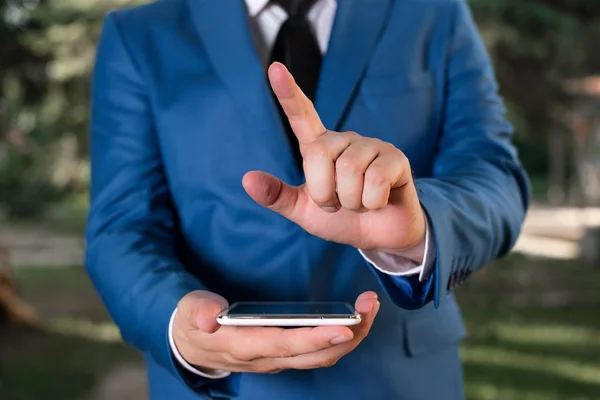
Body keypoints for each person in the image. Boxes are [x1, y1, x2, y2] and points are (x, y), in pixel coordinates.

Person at [86, 0, 530, 399]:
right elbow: (121, 227)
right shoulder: (139, 34)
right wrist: (177, 320)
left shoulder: (435, 13)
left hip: (399, 381)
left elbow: (495, 176)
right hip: (223, 387)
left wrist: (422, 224)